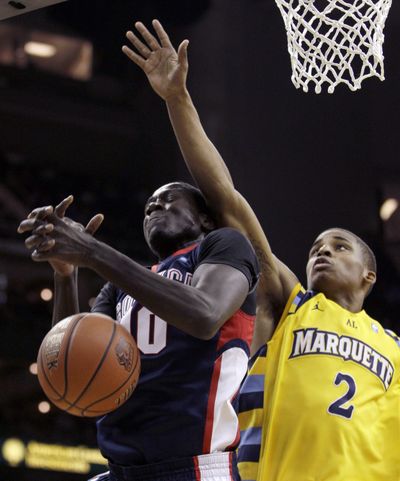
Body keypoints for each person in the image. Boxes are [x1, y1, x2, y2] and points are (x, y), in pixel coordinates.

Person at [122, 20, 400, 481]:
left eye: (340, 246)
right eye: (316, 246)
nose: (321, 252)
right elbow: (227, 199)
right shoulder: (290, 304)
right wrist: (178, 99)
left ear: (370, 275)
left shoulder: (394, 350)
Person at [18, 182, 260, 481]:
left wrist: (90, 250)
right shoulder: (118, 287)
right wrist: (66, 274)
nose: (154, 208)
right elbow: (71, 365)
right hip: (120, 471)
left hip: (194, 467)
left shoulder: (224, 245)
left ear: (205, 220)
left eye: (168, 200)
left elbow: (205, 314)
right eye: (148, 208)